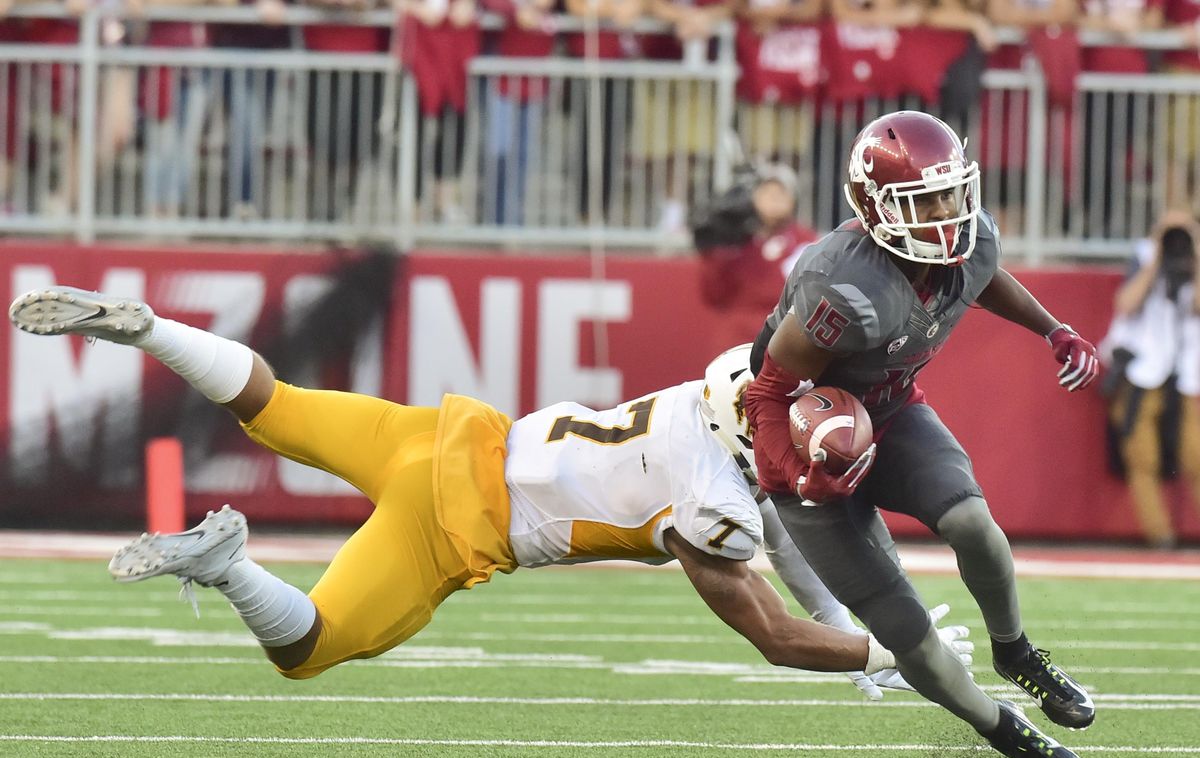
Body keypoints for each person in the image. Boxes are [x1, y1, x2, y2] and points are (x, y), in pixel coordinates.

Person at [7, 291, 971, 694]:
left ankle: (148, 330)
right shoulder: (709, 504)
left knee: (277, 402)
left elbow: (779, 525)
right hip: (459, 524)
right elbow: (775, 635)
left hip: (450, 436)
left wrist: (863, 632)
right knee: (305, 649)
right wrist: (889, 649)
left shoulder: (731, 384)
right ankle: (227, 566)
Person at [741, 110, 1095, 758]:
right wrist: (800, 474)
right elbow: (766, 396)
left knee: (972, 524)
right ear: (875, 205)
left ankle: (1015, 649)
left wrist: (1052, 328)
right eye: (923, 200)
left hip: (892, 411)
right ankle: (1011, 734)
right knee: (907, 632)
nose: (945, 213)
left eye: (950, 193)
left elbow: (979, 273)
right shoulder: (841, 286)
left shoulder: (967, 236)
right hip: (806, 435)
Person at [1100, 210, 1200, 549]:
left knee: (1195, 455)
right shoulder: (1145, 256)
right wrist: (1157, 255)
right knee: (1141, 457)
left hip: (1187, 373)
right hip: (1143, 371)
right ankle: (1161, 538)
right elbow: (1126, 303)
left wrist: (1195, 251)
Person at [691, 163, 818, 354]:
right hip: (737, 343)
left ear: (793, 200)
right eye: (767, 192)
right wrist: (713, 252)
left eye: (781, 192)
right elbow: (713, 295)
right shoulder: (736, 240)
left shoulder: (805, 242)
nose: (774, 199)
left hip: (785, 342)